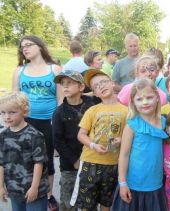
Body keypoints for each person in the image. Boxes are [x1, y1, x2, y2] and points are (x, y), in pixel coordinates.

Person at [11, 35, 62, 210]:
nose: (24, 48)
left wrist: (57, 125)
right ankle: (27, 189)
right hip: (25, 121)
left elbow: (60, 100)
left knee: (46, 159)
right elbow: (14, 99)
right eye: (22, 47)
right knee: (25, 158)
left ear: (39, 46)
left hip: (48, 122)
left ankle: (47, 195)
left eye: (28, 45)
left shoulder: (54, 69)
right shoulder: (19, 70)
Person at [70, 68, 128, 211]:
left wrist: (121, 140)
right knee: (86, 205)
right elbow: (81, 135)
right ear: (94, 93)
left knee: (106, 203)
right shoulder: (92, 110)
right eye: (96, 86)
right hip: (90, 162)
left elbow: (130, 135)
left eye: (103, 82)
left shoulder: (127, 111)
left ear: (112, 84)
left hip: (113, 164)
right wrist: (92, 145)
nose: (101, 86)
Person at [112, 78, 168, 211]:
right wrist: (123, 183)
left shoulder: (164, 123)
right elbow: (124, 155)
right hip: (134, 185)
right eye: (139, 99)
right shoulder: (132, 125)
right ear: (133, 103)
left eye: (149, 97)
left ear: (157, 98)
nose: (145, 102)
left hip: (156, 183)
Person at [52, 70, 95, 211]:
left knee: (90, 202)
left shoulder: (92, 105)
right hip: (69, 166)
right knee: (68, 203)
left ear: (81, 87)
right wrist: (74, 160)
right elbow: (57, 141)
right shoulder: (59, 112)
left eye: (70, 83)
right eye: (63, 84)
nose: (65, 86)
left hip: (92, 161)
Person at [0, 92, 49, 211]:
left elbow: (39, 163)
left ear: (25, 112)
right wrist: (1, 186)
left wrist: (34, 187)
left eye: (12, 112)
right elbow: (1, 163)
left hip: (34, 190)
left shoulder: (35, 135)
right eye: (3, 112)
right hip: (14, 189)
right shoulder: (3, 136)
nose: (7, 117)